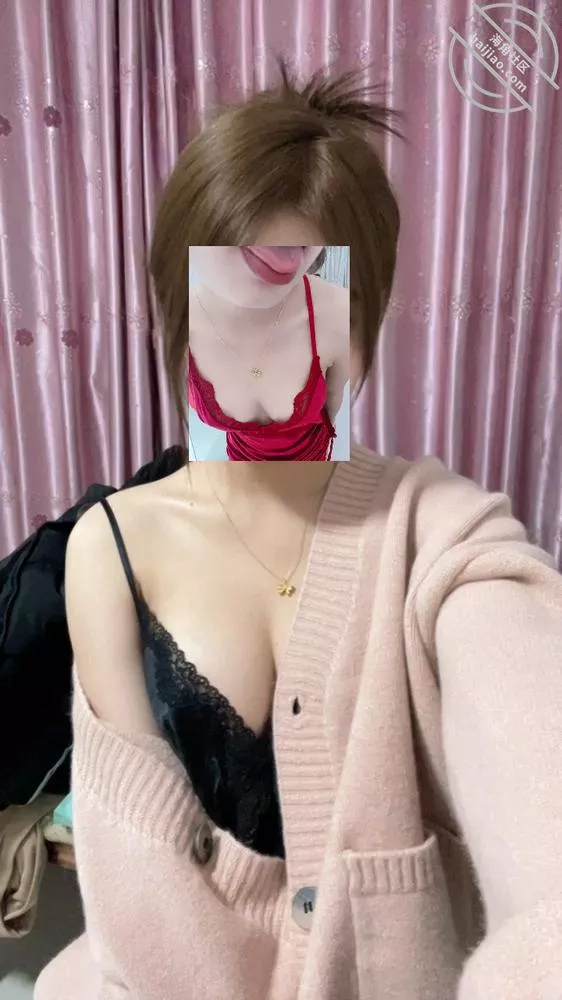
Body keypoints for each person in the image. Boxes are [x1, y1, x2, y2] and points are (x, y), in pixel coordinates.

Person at [35, 61, 562, 1000]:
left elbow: (533, 747)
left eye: (307, 313)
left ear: (366, 320)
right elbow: (140, 905)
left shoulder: (441, 535)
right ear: (174, 309)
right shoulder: (110, 550)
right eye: (231, 311)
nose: (265, 362)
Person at [187, 244, 349, 461]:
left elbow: (333, 403)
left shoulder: (341, 314)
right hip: (241, 461)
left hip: (311, 457)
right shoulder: (171, 326)